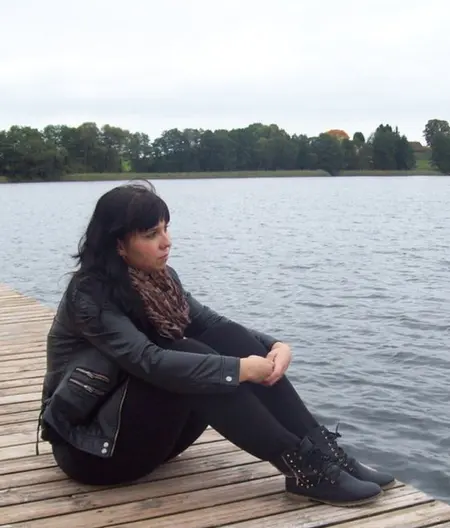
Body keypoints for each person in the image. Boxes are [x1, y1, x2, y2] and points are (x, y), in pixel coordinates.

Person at [38, 180, 394, 507]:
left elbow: (212, 323)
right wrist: (240, 370)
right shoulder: (90, 297)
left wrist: (273, 347)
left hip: (151, 439)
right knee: (187, 353)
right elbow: (149, 361)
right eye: (151, 234)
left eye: (165, 229)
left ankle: (325, 453)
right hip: (93, 452)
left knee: (224, 338)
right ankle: (304, 467)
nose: (166, 242)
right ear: (118, 244)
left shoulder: (159, 280)